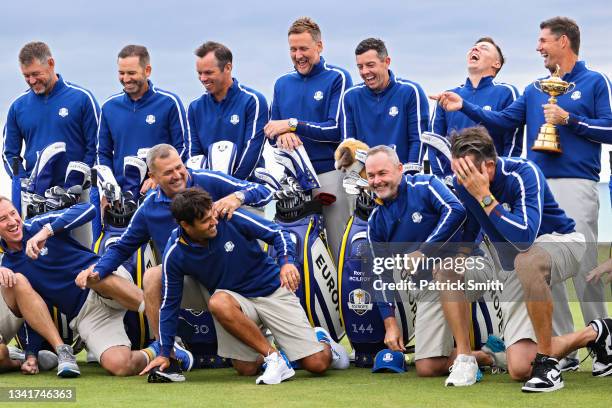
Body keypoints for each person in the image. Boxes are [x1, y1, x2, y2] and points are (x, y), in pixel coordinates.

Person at [431, 18, 611, 362]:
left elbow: (610, 128)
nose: (538, 47)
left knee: (586, 267)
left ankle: (603, 346)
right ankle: (560, 350)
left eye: (543, 41)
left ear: (563, 41)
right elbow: (502, 121)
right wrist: (463, 106)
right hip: (539, 188)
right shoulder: (533, 88)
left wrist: (570, 121)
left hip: (578, 182)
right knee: (543, 270)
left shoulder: (595, 81)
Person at [449, 125, 612, 391]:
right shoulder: (463, 184)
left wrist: (484, 197)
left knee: (526, 258)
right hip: (517, 265)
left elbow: (525, 237)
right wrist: (458, 256)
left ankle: (547, 366)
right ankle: (597, 332)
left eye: (465, 171)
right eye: (457, 170)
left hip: (562, 242)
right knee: (521, 368)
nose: (460, 177)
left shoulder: (523, 172)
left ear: (488, 166)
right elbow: (471, 227)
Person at [141, 187, 348, 384]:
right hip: (233, 300)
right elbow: (170, 303)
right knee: (245, 367)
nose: (214, 221)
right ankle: (275, 358)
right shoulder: (175, 251)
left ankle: (321, 339)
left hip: (271, 291)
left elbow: (277, 234)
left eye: (212, 214)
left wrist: (286, 263)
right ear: (185, 225)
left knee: (317, 363)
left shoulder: (229, 217)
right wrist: (164, 352)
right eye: (205, 221)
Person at [82, 143, 274, 338]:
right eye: (168, 172)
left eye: (179, 167)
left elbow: (264, 192)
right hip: (193, 280)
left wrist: (237, 197)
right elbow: (123, 247)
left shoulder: (207, 180)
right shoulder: (149, 208)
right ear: (153, 178)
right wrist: (98, 271)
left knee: (249, 369)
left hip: (232, 278)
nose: (177, 175)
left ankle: (258, 325)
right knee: (152, 276)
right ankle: (167, 350)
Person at [365, 145, 488, 387]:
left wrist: (424, 250)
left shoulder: (426, 184)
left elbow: (456, 211)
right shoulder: (375, 222)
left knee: (445, 270)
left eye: (383, 173)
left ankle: (464, 358)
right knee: (427, 366)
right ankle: (488, 355)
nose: (377, 181)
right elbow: (380, 274)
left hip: (470, 266)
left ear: (400, 169)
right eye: (371, 176)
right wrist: (390, 325)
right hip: (431, 285)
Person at [0, 196, 154, 376]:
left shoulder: (38, 225)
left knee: (94, 277)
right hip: (86, 314)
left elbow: (88, 209)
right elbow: (31, 311)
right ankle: (158, 350)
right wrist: (31, 353)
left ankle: (167, 335)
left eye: (13, 213)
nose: (12, 221)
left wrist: (47, 231)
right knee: (119, 365)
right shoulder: (8, 267)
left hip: (104, 279)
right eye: (3, 219)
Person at [265, 17, 352, 260]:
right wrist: (282, 133)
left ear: (319, 47)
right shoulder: (282, 83)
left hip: (329, 176)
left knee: (338, 250)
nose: (298, 55)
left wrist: (292, 125)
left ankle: (345, 298)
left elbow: (336, 130)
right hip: (293, 183)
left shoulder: (338, 77)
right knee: (299, 253)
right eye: (293, 49)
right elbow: (272, 133)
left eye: (304, 48)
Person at [2, 41, 99, 189]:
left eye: (35, 74)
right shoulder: (17, 106)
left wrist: (78, 180)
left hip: (78, 193)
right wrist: (23, 183)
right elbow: (9, 154)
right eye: (26, 76)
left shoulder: (82, 98)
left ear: (51, 63)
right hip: (35, 196)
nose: (32, 81)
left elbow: (96, 146)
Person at [429, 37, 522, 180]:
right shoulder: (448, 96)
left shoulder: (507, 92)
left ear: (496, 63)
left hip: (492, 182)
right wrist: (445, 179)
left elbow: (513, 141)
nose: (475, 49)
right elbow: (435, 141)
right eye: (473, 47)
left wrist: (501, 177)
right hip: (453, 184)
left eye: (484, 48)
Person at [96, 45, 187, 191]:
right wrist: (108, 186)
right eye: (121, 73)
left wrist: (159, 178)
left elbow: (182, 148)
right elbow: (102, 152)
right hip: (121, 193)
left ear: (147, 71)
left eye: (131, 73)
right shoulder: (109, 106)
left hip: (160, 190)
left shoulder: (169, 102)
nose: (126, 79)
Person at [342, 38, 428, 174]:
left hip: (401, 178)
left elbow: (418, 140)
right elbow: (348, 144)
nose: (364, 72)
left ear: (386, 62)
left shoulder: (410, 91)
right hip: (366, 181)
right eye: (360, 67)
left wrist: (409, 176)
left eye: (370, 65)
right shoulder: (350, 96)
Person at [187, 41, 267, 182]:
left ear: (228, 67)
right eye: (199, 73)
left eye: (209, 72)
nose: (203, 78)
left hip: (246, 190)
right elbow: (194, 156)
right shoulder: (194, 108)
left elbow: (252, 152)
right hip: (208, 194)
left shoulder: (253, 100)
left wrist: (230, 186)